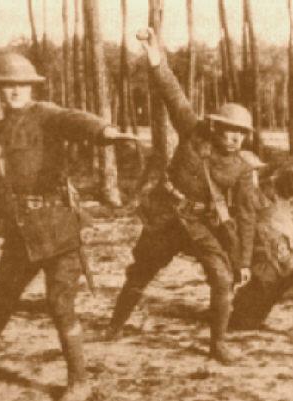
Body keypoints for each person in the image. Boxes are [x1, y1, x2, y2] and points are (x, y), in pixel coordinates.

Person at [0, 52, 132, 401]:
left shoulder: (45, 114)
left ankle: (79, 381)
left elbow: (74, 120)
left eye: (19, 85)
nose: (13, 92)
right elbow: (1, 178)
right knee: (3, 296)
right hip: (21, 230)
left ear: (30, 87)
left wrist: (104, 131)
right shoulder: (1, 128)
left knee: (60, 304)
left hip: (57, 228)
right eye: (5, 86)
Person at [104, 28, 257, 365]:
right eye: (229, 131)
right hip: (165, 218)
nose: (234, 139)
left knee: (222, 277)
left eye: (241, 134)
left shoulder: (243, 171)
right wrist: (153, 52)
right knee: (141, 272)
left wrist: (244, 261)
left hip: (201, 226)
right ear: (216, 127)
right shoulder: (193, 132)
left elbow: (247, 217)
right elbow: (172, 93)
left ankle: (218, 343)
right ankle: (115, 325)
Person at [229, 165, 293, 330]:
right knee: (246, 321)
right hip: (263, 255)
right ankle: (242, 311)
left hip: (278, 250)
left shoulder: (280, 199)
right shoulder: (258, 198)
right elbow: (248, 231)